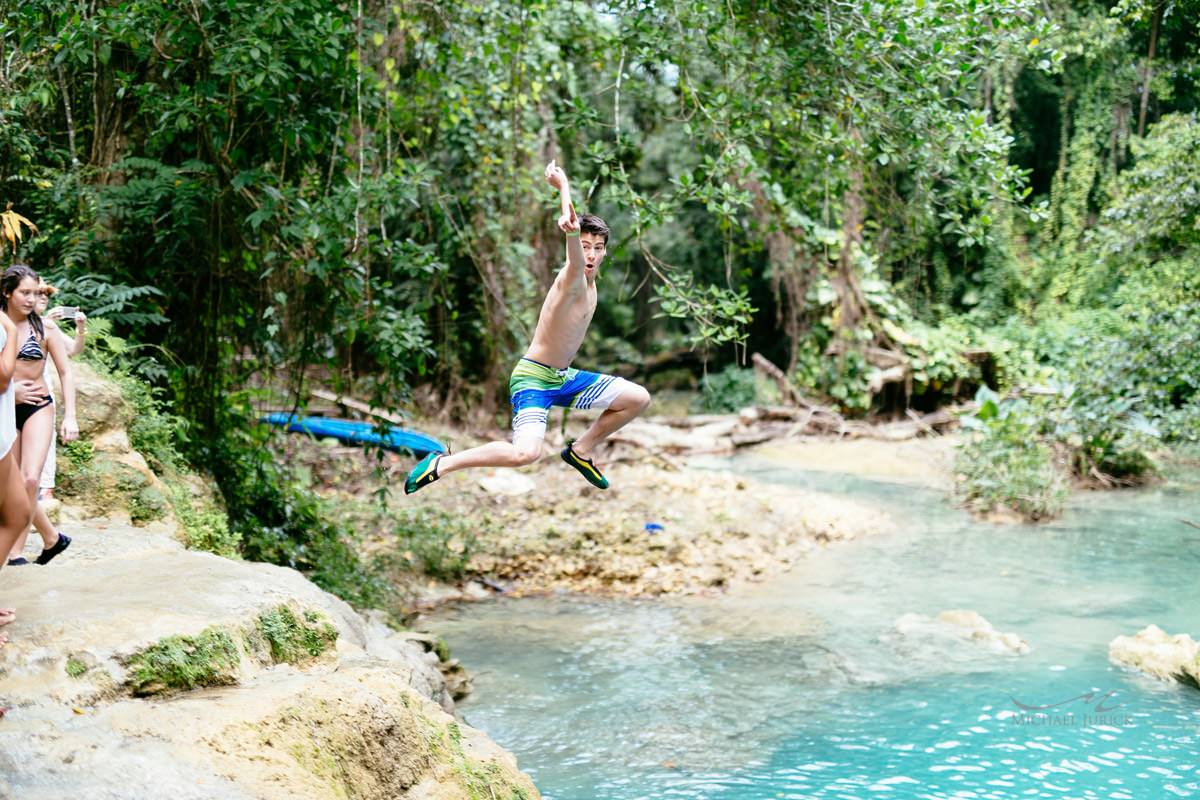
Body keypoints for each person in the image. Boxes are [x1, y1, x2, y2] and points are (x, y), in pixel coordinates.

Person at [405, 161, 651, 494]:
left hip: (562, 378)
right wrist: (563, 190)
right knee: (525, 454)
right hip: (533, 377)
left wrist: (573, 219)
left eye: (598, 248)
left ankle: (581, 450)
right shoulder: (573, 279)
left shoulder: (592, 286)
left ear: (605, 251)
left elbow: (579, 240)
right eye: (585, 247)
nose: (590, 254)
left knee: (637, 398)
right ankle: (442, 463)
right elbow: (572, 238)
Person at [1, 265, 77, 566]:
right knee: (11, 487)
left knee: (30, 479)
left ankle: (16, 552)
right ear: (8, 292)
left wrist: (70, 416)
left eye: (36, 293)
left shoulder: (46, 328)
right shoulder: (0, 326)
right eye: (25, 293)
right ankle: (51, 538)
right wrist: (11, 392)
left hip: (37, 406)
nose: (32, 299)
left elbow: (65, 371)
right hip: (6, 410)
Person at [36, 281, 87, 502]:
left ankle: (45, 489)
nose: (43, 297)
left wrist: (81, 329)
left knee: (46, 439)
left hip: (43, 392)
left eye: (46, 294)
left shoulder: (48, 327)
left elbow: (73, 350)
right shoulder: (11, 323)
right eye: (38, 293)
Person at [0, 307, 30, 645]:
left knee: (19, 512)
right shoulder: (5, 323)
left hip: (2, 436)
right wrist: (10, 333)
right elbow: (3, 377)